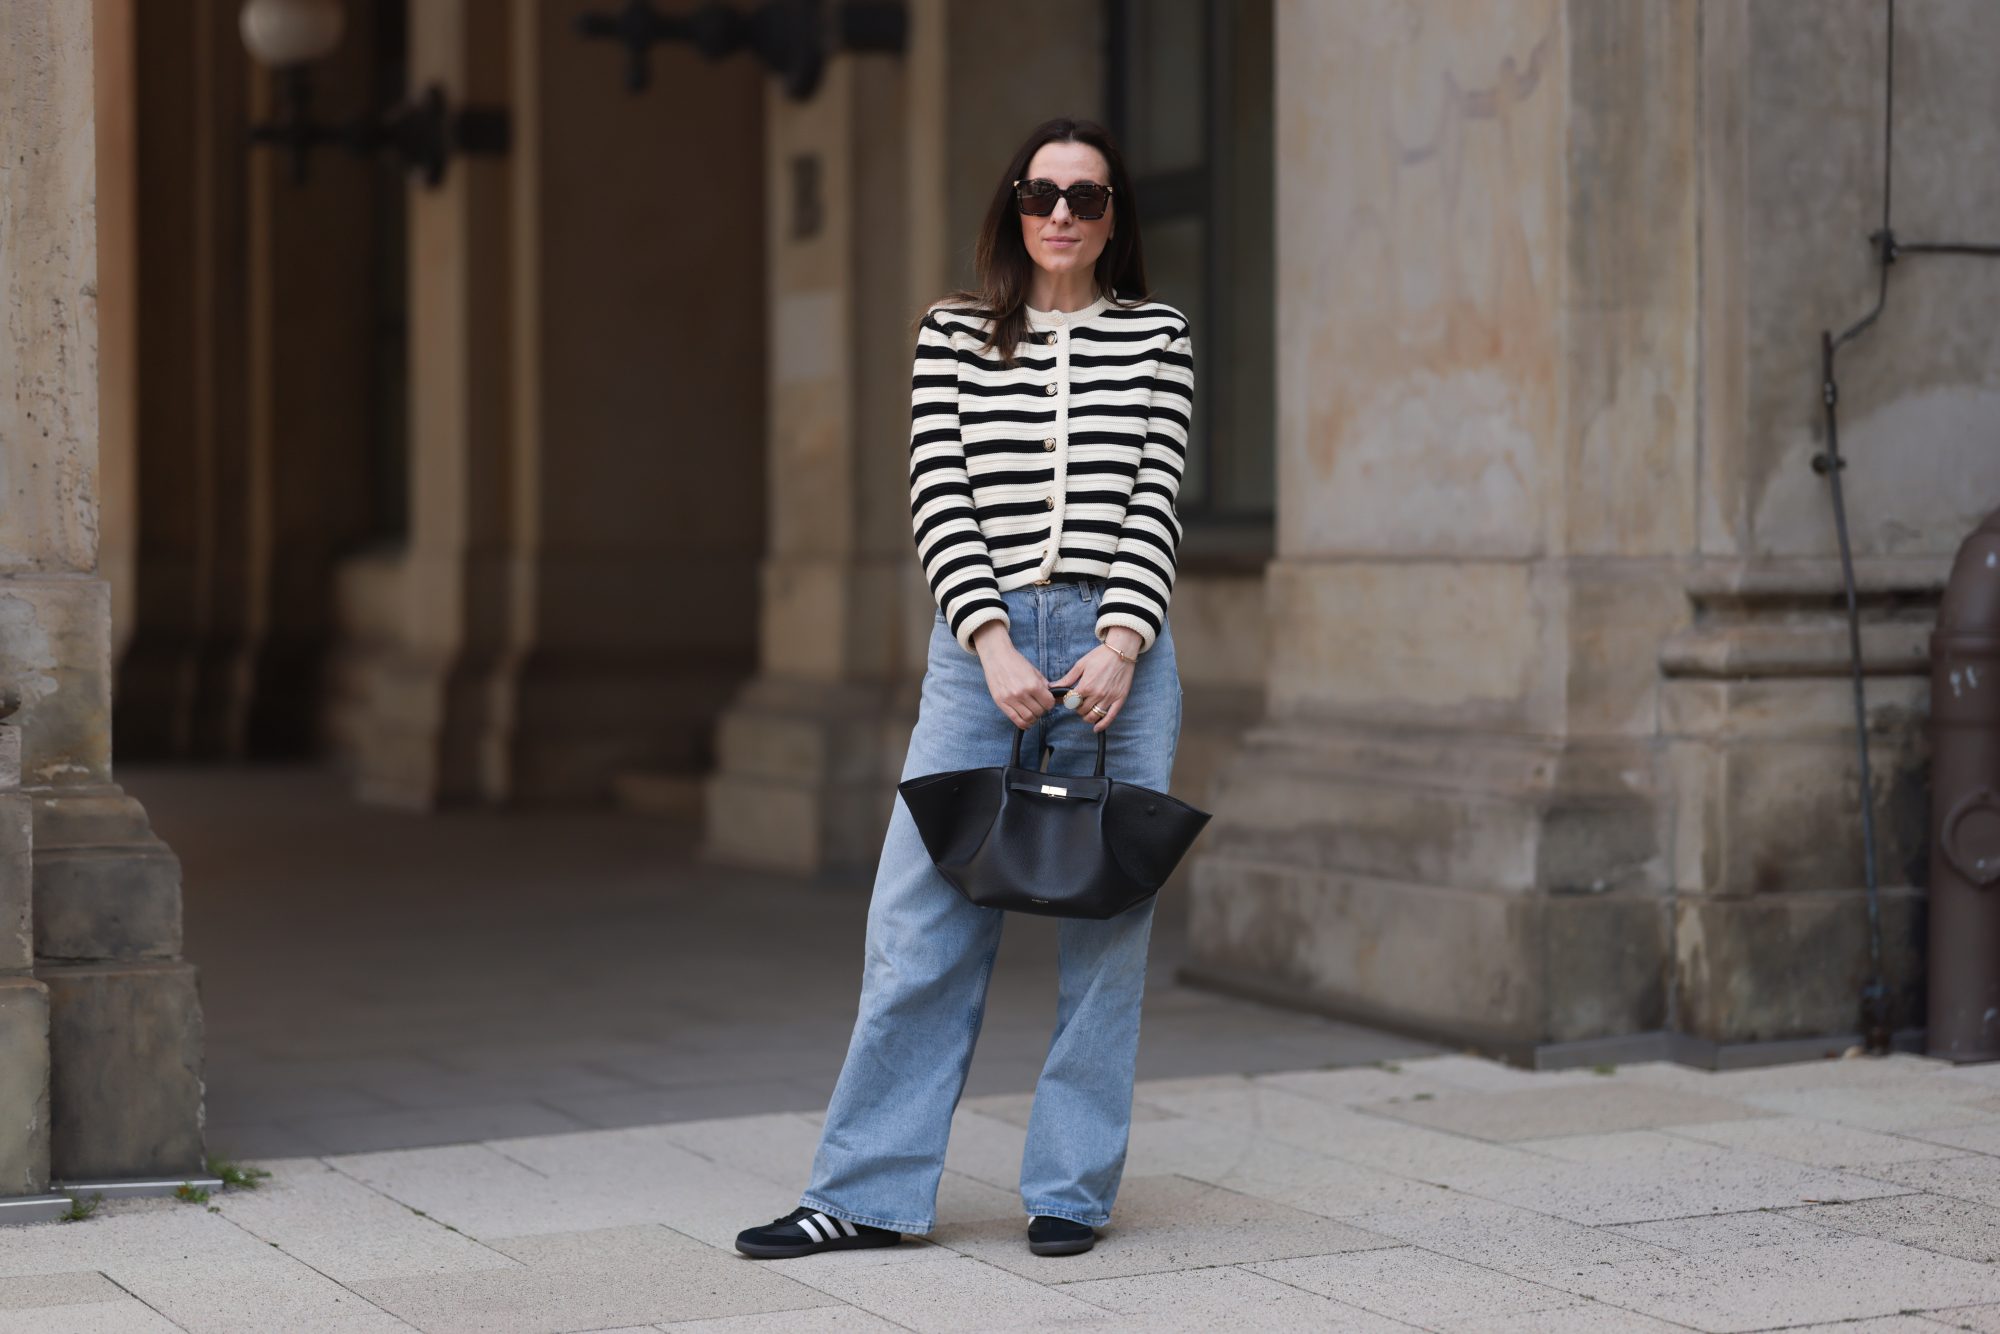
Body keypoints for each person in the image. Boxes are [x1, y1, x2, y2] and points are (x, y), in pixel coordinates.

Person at [736, 116, 1192, 1262]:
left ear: (1112, 219)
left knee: (1106, 933)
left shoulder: (1159, 337)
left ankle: (1070, 1191)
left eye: (1086, 199)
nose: (1060, 216)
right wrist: (988, 642)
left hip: (1113, 652)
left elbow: (1156, 497)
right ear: (1011, 206)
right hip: (974, 650)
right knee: (915, 926)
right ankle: (865, 1192)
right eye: (1041, 194)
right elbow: (937, 495)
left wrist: (1122, 642)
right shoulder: (949, 335)